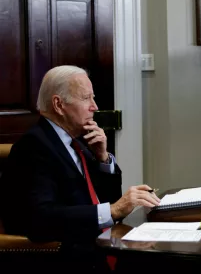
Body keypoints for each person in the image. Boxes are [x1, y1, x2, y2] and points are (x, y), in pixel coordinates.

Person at [0, 65, 161, 273]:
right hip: (67, 260)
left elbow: (107, 201)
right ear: (59, 104)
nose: (94, 106)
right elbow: (41, 217)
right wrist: (113, 209)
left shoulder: (78, 142)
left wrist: (103, 158)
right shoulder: (34, 147)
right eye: (86, 98)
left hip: (98, 245)